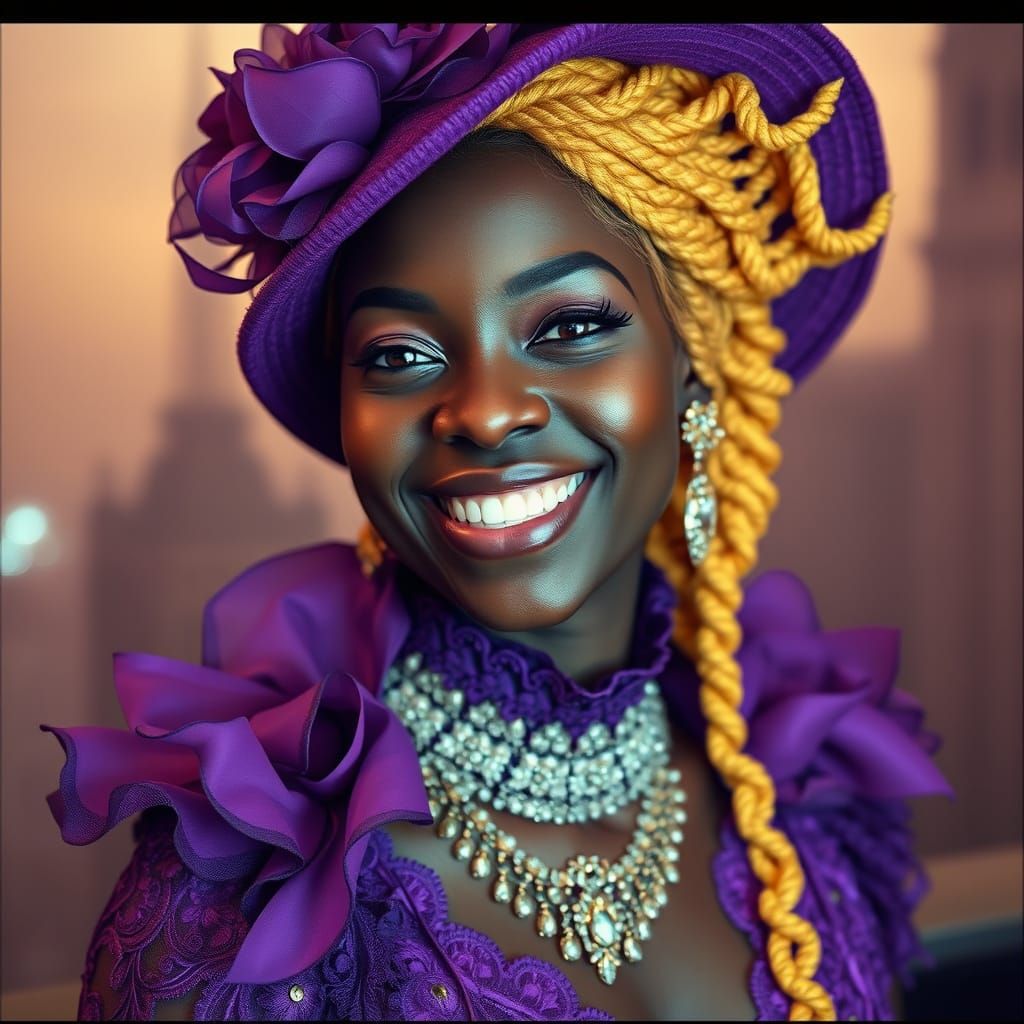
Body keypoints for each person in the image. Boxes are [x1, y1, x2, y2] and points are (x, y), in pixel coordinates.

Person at [44, 23, 952, 1021]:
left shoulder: (813, 801)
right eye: (398, 354)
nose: (481, 410)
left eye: (567, 328)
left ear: (692, 365)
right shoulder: (241, 901)